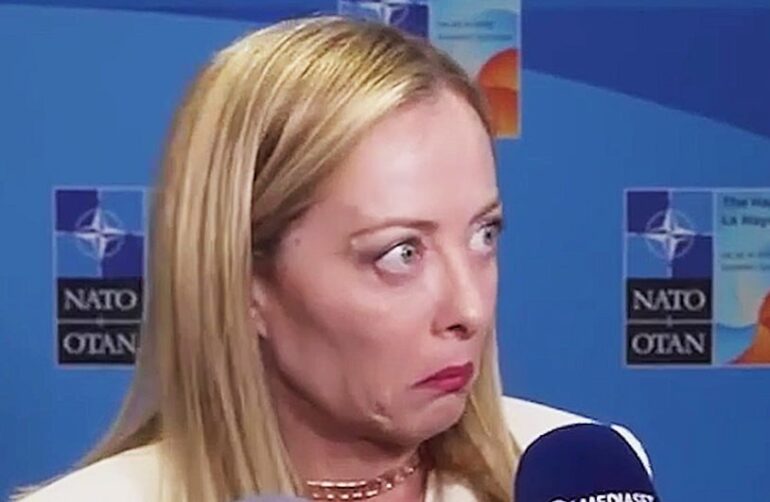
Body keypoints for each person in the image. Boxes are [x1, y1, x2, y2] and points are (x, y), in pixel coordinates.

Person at [17, 16, 652, 502]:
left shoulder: (583, 475)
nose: (470, 309)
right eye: (401, 253)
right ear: (245, 281)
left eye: (484, 236)